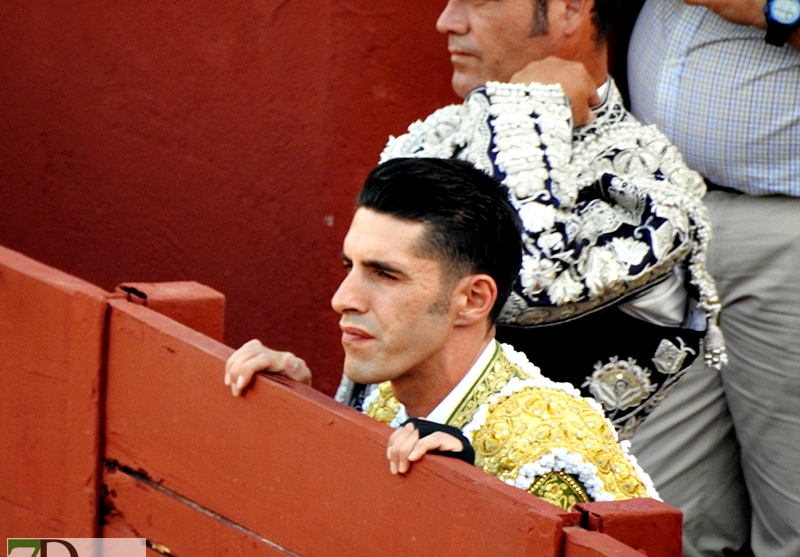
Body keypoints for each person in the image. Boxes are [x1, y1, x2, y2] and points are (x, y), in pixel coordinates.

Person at [336, 0, 726, 441]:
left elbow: (520, 285)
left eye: (478, 1)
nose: (447, 21)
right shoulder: (435, 138)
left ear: (571, 8)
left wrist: (530, 110)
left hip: (563, 492)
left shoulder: (647, 178)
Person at [225, 157, 657, 511]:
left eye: (385, 275)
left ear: (470, 300)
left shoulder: (546, 456)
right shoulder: (385, 392)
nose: (343, 299)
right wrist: (298, 412)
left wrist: (468, 502)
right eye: (349, 267)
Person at [623, 1, 800, 557]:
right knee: (661, 524)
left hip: (786, 225)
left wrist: (773, 9)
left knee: (796, 545)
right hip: (665, 215)